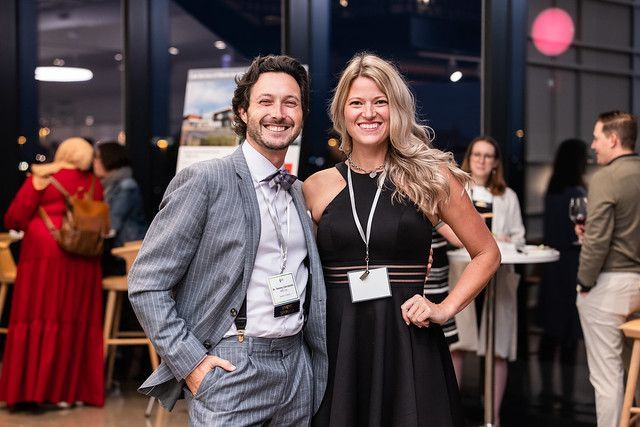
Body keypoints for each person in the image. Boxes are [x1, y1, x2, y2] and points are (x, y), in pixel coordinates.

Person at [128, 55, 328, 425]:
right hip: (232, 367)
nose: (278, 113)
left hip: (297, 369)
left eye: (290, 102)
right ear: (242, 111)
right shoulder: (205, 181)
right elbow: (147, 285)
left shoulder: (300, 193)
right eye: (265, 101)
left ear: (301, 114)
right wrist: (192, 364)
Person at [303, 53, 500, 426]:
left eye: (381, 102)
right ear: (342, 112)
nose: (369, 113)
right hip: (339, 345)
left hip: (407, 342)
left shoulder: (431, 178)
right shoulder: (316, 187)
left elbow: (487, 252)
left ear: (397, 109)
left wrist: (444, 308)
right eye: (357, 103)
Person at [0, 137, 104, 407]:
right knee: (75, 320)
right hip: (83, 258)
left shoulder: (42, 177)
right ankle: (70, 393)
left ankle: (32, 389)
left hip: (43, 255)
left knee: (37, 316)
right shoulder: (94, 183)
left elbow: (14, 217)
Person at [448, 136, 525, 425]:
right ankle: (450, 413)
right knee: (457, 346)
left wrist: (500, 240)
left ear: (495, 163)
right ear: (469, 157)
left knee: (498, 349)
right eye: (477, 154)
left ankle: (492, 417)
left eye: (488, 156)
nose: (482, 160)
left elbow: (518, 237)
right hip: (462, 275)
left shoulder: (508, 197)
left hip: (498, 279)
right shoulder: (457, 190)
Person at [574, 111, 640, 427]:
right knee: (636, 373)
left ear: (613, 139)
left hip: (611, 285)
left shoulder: (606, 178)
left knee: (607, 377)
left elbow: (598, 241)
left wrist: (584, 283)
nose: (593, 145)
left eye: (597, 137)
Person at [536, 138, 588, 409]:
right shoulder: (578, 193)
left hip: (552, 264)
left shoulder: (552, 191)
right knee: (568, 332)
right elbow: (583, 233)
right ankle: (568, 397)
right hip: (571, 264)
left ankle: (545, 390)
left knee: (550, 331)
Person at [93, 141, 147, 249]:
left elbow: (112, 222)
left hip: (128, 246)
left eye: (97, 157)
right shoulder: (109, 184)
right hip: (120, 245)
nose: (94, 162)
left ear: (109, 158)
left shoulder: (126, 186)